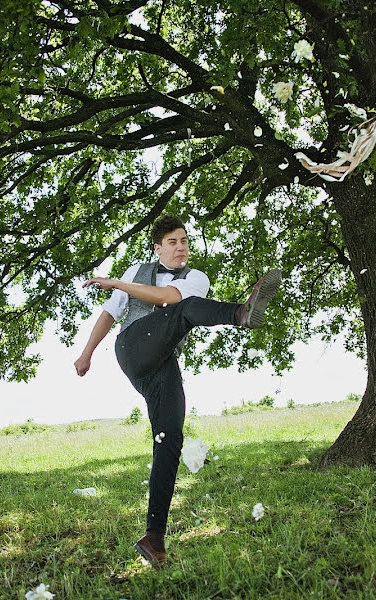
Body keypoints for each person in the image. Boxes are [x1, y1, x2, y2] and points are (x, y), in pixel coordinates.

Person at [74, 214, 281, 569]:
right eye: (173, 242)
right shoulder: (134, 272)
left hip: (163, 361)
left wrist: (116, 284)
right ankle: (240, 313)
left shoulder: (196, 278)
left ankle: (153, 538)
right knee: (182, 310)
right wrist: (86, 352)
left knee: (169, 439)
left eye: (184, 240)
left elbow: (167, 297)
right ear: (157, 249)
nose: (181, 247)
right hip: (134, 347)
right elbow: (109, 315)